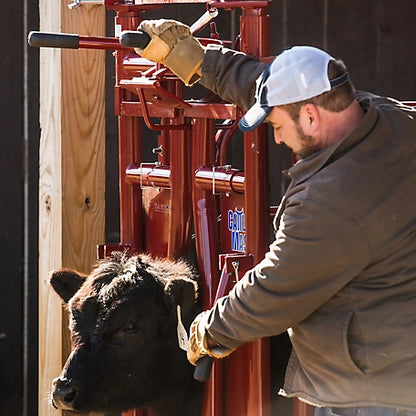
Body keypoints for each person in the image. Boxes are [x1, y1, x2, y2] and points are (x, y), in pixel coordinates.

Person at [134, 20, 416, 416]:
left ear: (312, 118)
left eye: (277, 127)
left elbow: (274, 288)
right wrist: (201, 62)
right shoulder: (388, 119)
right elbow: (274, 89)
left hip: (372, 395)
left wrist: (209, 329)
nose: (277, 139)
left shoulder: (328, 202)